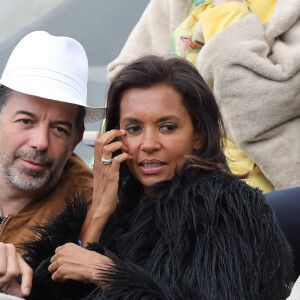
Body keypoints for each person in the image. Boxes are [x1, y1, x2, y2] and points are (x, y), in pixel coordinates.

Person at [20, 56, 292, 299]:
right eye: (134, 128)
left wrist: (105, 271)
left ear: (197, 135)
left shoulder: (228, 210)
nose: (148, 144)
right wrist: (99, 212)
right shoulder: (123, 208)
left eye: (167, 127)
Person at [107, 0, 300, 192]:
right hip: (164, 188)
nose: (149, 144)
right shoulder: (172, 4)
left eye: (168, 127)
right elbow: (128, 84)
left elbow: (257, 109)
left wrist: (227, 8)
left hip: (263, 189)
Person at [0, 31, 105, 297]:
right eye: (26, 121)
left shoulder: (92, 208)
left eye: (59, 129)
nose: (40, 142)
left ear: (75, 140)